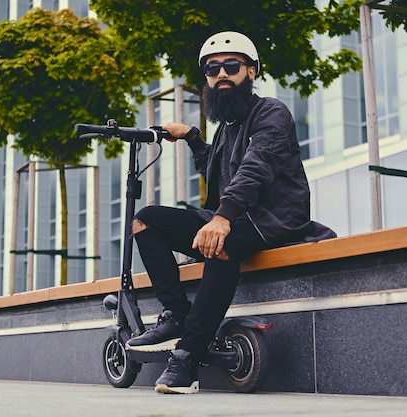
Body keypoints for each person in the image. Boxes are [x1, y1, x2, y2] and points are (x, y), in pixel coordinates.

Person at [126, 31, 337, 394]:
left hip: (273, 218)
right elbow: (218, 168)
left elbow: (256, 168)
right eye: (212, 69)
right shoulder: (227, 126)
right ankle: (177, 314)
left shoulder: (271, 112)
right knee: (145, 220)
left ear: (251, 71)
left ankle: (187, 357)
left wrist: (222, 218)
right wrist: (193, 137)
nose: (221, 74)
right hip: (233, 216)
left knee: (221, 244)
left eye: (231, 66)